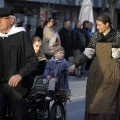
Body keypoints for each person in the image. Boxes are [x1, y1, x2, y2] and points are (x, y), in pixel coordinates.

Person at [69, 14, 120, 120]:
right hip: (96, 71)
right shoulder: (95, 36)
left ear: (107, 24)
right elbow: (87, 53)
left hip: (111, 71)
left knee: (109, 100)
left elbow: (116, 55)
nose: (97, 27)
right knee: (94, 99)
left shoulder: (116, 35)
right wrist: (75, 64)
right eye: (97, 25)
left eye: (99, 25)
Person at [0, 7, 38, 120]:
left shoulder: (21, 35)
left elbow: (32, 61)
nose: (0, 21)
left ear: (11, 21)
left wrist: (20, 74)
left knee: (18, 117)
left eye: (2, 18)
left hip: (17, 86)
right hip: (0, 85)